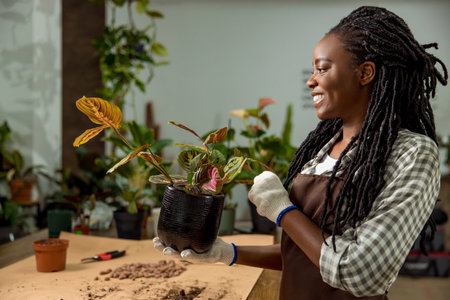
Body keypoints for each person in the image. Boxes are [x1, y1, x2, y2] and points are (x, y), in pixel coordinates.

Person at [153, 6, 448, 299]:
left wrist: (284, 211)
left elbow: (358, 272)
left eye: (322, 68)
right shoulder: (322, 149)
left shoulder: (412, 153)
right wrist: (226, 252)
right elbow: (304, 255)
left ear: (365, 73)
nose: (311, 80)